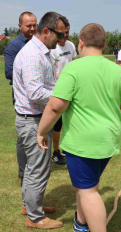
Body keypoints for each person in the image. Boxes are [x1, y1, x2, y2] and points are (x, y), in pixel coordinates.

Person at [37, 23, 121, 232]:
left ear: (81, 42)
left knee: (88, 192)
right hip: (107, 141)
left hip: (83, 143)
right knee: (87, 185)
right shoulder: (116, 69)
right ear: (104, 44)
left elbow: (55, 106)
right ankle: (81, 224)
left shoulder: (73, 68)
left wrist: (41, 132)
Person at [13, 11, 65, 229]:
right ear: (46, 31)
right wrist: (64, 98)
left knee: (33, 168)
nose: (62, 39)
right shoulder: (34, 55)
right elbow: (35, 93)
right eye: (59, 34)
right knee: (38, 170)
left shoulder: (39, 52)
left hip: (32, 119)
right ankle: (35, 217)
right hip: (32, 120)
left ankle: (30, 206)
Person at [4, 11, 37, 185]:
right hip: (22, 95)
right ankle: (23, 170)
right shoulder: (14, 46)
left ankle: (29, 167)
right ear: (19, 26)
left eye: (34, 25)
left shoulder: (38, 43)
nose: (32, 28)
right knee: (23, 135)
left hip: (36, 93)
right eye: (28, 25)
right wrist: (31, 74)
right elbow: (8, 72)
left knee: (32, 131)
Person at [50, 18, 77, 165]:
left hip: (71, 89)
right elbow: (52, 73)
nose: (65, 35)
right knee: (58, 123)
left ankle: (67, 148)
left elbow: (74, 64)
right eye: (63, 32)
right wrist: (66, 76)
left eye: (68, 32)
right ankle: (55, 152)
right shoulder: (52, 48)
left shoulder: (71, 45)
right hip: (58, 89)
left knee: (70, 120)